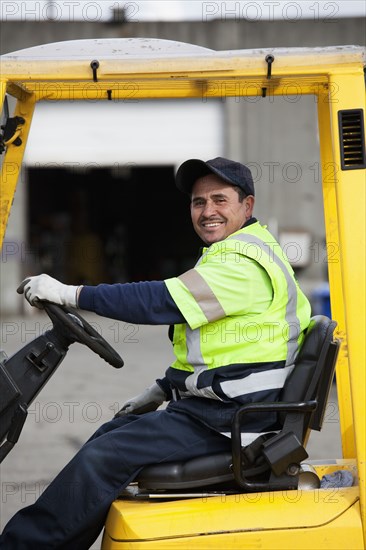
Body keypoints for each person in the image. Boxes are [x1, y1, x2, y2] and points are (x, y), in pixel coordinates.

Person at [0, 157, 311, 549]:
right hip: (217, 410)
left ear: (247, 205)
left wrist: (70, 293)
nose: (208, 211)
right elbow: (226, 348)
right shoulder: (236, 251)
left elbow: (158, 301)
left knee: (103, 457)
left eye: (220, 200)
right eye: (199, 202)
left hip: (231, 422)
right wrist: (162, 389)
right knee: (107, 435)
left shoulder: (242, 264)